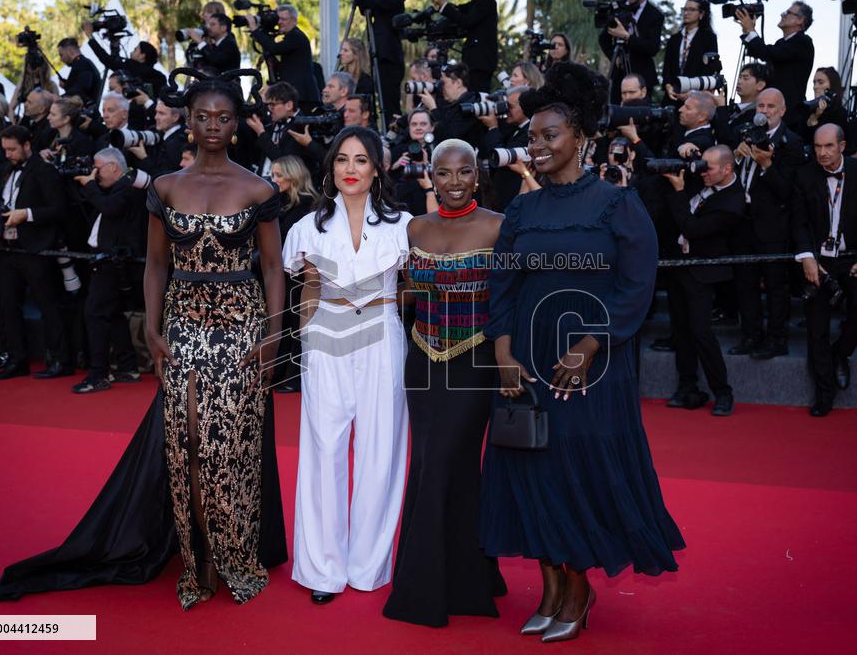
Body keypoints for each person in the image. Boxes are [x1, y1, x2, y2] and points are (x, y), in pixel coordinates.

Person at [0, 68, 289, 609]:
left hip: (240, 325)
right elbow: (155, 264)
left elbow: (272, 269)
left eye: (223, 117)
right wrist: (151, 328)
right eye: (202, 117)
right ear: (189, 123)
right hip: (182, 322)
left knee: (232, 448)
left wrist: (272, 337)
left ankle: (235, 554)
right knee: (188, 444)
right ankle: (197, 563)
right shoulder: (166, 187)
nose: (213, 126)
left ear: (236, 124)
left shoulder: (258, 188)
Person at [481, 62, 684, 643]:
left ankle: (578, 590)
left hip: (592, 362)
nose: (537, 146)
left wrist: (591, 345)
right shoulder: (521, 210)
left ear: (582, 138)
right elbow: (504, 286)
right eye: (532, 137)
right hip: (527, 354)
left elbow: (636, 287)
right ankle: (551, 587)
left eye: (550, 136)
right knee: (531, 466)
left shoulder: (617, 204)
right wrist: (502, 351)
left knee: (577, 469)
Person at [282, 126, 412, 605]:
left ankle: (368, 566)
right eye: (342, 160)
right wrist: (308, 342)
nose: (350, 169)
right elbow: (308, 288)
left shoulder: (403, 225)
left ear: (377, 167)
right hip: (327, 336)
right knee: (324, 448)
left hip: (383, 330)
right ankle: (322, 568)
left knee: (382, 450)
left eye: (361, 160)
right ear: (330, 167)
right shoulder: (306, 227)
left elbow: (414, 287)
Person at [383, 139, 506, 626]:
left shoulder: (499, 225)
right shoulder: (412, 228)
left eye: (464, 172)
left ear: (477, 175)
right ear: (430, 176)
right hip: (423, 363)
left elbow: (510, 300)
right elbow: (405, 294)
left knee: (444, 461)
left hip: (476, 365)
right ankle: (465, 577)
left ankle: (429, 585)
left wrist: (509, 358)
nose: (455, 182)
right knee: (433, 462)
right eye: (445, 173)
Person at [791, 124, 857, 416]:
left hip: (852, 257)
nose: (822, 153)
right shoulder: (804, 175)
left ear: (842, 146)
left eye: (828, 147)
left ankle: (840, 352)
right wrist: (806, 257)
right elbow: (798, 221)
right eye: (817, 147)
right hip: (817, 259)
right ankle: (824, 393)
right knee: (816, 326)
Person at [0, 125, 71, 380]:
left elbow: (59, 209)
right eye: (5, 150)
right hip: (7, 248)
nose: (8, 154)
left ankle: (60, 360)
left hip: (36, 249)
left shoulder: (44, 171)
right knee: (8, 305)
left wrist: (27, 214)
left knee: (48, 305)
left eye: (12, 149)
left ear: (26, 145)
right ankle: (16, 359)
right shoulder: (4, 170)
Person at [661, 145, 742, 413]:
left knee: (701, 333)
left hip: (703, 273)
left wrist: (678, 192)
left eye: (709, 167)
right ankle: (687, 387)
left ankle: (723, 393)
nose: (702, 172)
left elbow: (692, 229)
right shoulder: (701, 178)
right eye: (701, 165)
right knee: (681, 332)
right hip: (679, 267)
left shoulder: (733, 202)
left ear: (727, 169)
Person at [729, 88, 805, 360]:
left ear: (782, 110)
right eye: (760, 105)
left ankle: (777, 339)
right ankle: (750, 335)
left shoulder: (792, 142)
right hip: (742, 220)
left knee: (775, 285)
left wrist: (767, 165)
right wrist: (736, 157)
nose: (765, 110)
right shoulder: (742, 131)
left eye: (771, 106)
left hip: (773, 224)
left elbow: (788, 190)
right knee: (744, 283)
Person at [70, 147, 147, 393]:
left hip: (114, 261)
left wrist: (90, 185)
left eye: (98, 168)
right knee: (112, 313)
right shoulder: (116, 188)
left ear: (114, 167)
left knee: (94, 313)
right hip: (107, 259)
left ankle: (98, 374)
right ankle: (126, 366)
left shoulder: (128, 186)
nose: (95, 173)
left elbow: (111, 208)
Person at [269, 155, 317, 392]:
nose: (274, 180)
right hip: (281, 273)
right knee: (283, 321)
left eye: (279, 175)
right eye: (272, 175)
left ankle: (294, 375)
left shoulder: (309, 204)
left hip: (302, 273)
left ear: (293, 175)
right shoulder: (277, 202)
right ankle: (280, 373)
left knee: (298, 323)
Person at [735, 1, 814, 128]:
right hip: (772, 111)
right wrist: (747, 30)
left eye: (788, 13)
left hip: (789, 115)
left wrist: (750, 31)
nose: (782, 15)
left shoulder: (803, 41)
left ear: (800, 20)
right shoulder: (782, 42)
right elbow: (761, 51)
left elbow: (769, 53)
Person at [349, 0, 407, 125]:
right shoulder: (385, 0)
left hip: (389, 58)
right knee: (383, 99)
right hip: (382, 57)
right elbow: (365, 8)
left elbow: (367, 1)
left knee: (389, 102)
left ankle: (393, 132)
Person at [598, 0, 663, 104]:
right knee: (615, 115)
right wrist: (614, 56)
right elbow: (603, 39)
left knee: (641, 116)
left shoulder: (655, 15)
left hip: (643, 75)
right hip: (620, 76)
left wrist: (627, 36)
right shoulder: (616, 7)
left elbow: (652, 48)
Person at [249, 4, 321, 107]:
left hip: (303, 96)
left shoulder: (296, 36)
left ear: (294, 21)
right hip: (297, 94)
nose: (279, 22)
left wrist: (255, 29)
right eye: (279, 19)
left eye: (284, 19)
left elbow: (273, 48)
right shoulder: (292, 36)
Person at [431, 0, 499, 93]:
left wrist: (444, 5)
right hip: (474, 60)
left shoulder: (488, 1)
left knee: (477, 97)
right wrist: (442, 3)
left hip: (481, 61)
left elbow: (467, 21)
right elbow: (459, 10)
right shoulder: (476, 2)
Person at [662, 0, 718, 106]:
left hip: (696, 97)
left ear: (701, 14)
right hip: (672, 96)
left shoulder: (709, 38)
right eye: (685, 9)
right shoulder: (674, 39)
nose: (686, 13)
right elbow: (667, 68)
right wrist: (668, 87)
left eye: (691, 9)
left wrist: (692, 92)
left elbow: (710, 69)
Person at [799, 67, 849, 144]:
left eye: (820, 82)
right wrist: (815, 116)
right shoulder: (807, 109)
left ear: (832, 86)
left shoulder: (840, 113)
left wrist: (816, 120)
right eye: (814, 83)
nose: (815, 87)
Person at [58, 37, 102, 105]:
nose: (61, 59)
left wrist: (59, 99)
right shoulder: (82, 63)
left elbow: (82, 89)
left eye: (61, 55)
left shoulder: (82, 64)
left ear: (70, 50)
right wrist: (67, 85)